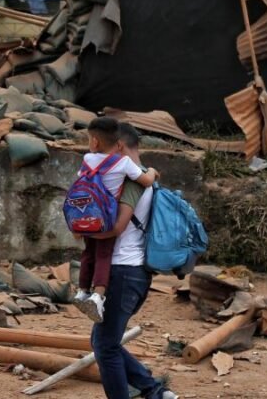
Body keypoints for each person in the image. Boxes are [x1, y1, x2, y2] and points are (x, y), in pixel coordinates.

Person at [88, 123, 179, 399]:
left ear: (119, 147)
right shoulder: (143, 176)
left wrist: (82, 229)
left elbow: (117, 227)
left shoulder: (130, 180)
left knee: (105, 346)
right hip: (133, 271)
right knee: (103, 341)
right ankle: (155, 391)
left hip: (123, 272)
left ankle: (151, 390)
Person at [73, 117, 158, 323]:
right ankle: (97, 294)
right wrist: (154, 172)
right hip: (110, 228)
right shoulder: (127, 168)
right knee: (103, 255)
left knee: (89, 255)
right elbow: (146, 181)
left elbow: (80, 182)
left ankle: (83, 291)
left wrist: (82, 228)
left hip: (120, 263)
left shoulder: (87, 160)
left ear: (94, 141)